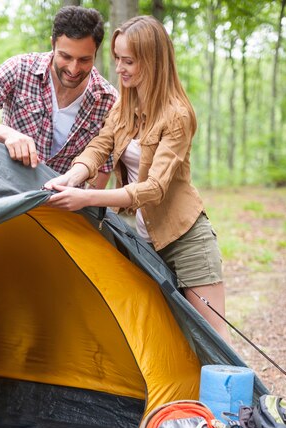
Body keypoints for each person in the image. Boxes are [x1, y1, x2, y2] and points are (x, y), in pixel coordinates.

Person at [44, 15, 230, 342]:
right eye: (117, 59)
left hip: (185, 237)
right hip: (138, 237)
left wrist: (88, 197)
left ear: (153, 61)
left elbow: (154, 189)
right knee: (154, 332)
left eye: (128, 61)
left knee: (212, 338)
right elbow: (99, 146)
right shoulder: (123, 106)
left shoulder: (177, 114)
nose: (119, 68)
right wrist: (74, 176)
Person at [0, 6, 118, 188]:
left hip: (64, 206)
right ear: (52, 44)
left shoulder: (107, 99)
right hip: (8, 192)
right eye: (65, 56)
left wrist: (87, 210)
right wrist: (8, 135)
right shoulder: (20, 69)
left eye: (84, 60)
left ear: (96, 52)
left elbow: (103, 168)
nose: (73, 68)